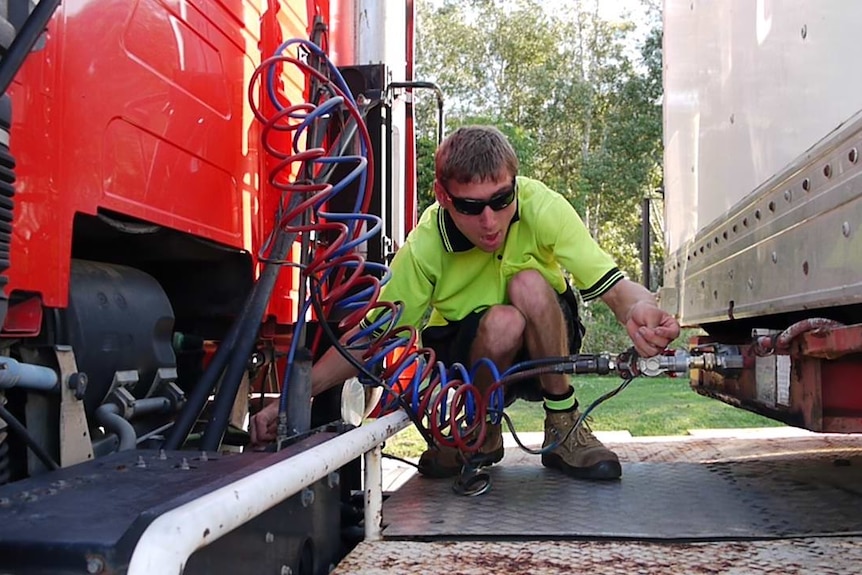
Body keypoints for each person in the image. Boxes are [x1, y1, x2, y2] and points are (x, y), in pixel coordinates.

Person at [251, 125, 680, 481]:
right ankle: (475, 429)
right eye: (471, 207)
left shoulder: (542, 206)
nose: (490, 222)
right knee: (502, 322)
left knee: (529, 286)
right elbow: (372, 336)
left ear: (515, 182)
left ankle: (564, 423)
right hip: (464, 357)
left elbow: (614, 286)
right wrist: (293, 397)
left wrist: (639, 312)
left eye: (501, 200)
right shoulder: (426, 245)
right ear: (442, 195)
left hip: (545, 350)